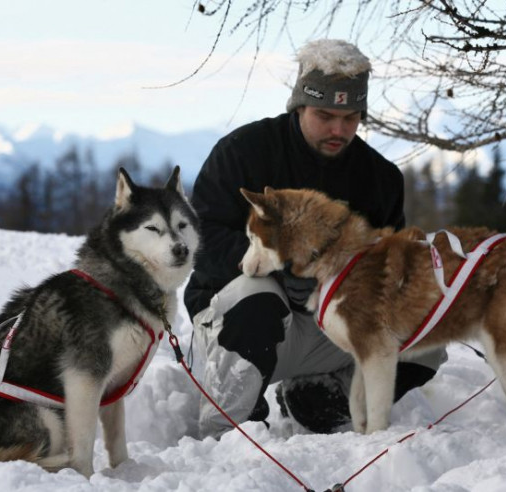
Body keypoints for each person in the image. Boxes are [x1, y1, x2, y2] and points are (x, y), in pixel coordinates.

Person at [184, 39, 447, 439]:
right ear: (299, 106)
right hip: (240, 323)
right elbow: (198, 240)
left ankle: (321, 399)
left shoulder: (380, 178)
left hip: (330, 326)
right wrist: (281, 268)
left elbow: (388, 270)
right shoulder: (244, 151)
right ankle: (229, 433)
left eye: (351, 117)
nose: (339, 129)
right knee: (258, 295)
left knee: (426, 329)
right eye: (325, 115)